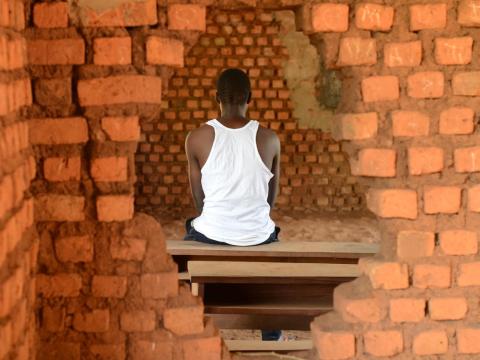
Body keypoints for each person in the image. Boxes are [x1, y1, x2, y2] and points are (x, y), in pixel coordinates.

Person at [184, 68, 282, 341]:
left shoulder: (196, 138)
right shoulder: (269, 138)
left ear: (217, 97)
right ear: (249, 97)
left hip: (212, 233)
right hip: (258, 235)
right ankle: (272, 335)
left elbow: (199, 200)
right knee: (269, 235)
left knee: (191, 231)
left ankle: (196, 322)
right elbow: (269, 200)